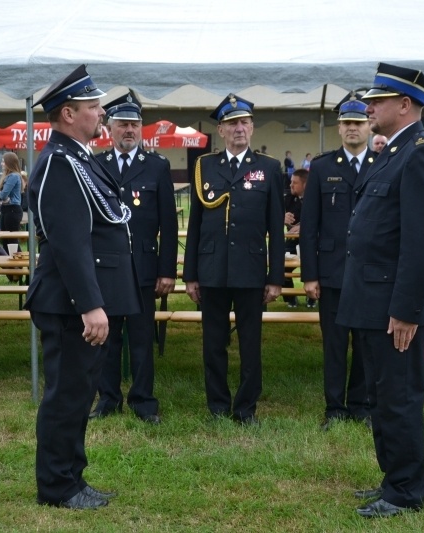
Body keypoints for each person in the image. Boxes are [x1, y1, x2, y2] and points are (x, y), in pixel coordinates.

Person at [26, 65, 141, 511]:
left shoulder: (76, 156)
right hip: (70, 303)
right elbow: (71, 243)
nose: (101, 113)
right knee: (66, 398)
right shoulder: (58, 162)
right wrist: (91, 306)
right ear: (69, 113)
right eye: (93, 107)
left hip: (81, 300)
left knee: (78, 396)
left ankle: (72, 478)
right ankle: (57, 487)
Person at [336, 63, 424, 518]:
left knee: (399, 397)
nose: (368, 108)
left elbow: (422, 244)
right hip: (370, 299)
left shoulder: (420, 153)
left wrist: (406, 311)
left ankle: (405, 491)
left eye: (377, 101)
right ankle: (391, 480)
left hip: (392, 306)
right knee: (381, 396)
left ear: (405, 105)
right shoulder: (393, 152)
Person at [183, 93, 284, 425]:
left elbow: (276, 228)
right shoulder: (205, 166)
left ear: (252, 127)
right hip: (211, 270)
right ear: (221, 130)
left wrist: (275, 277)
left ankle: (245, 409)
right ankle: (216, 405)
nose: (239, 129)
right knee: (213, 343)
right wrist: (190, 275)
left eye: (244, 122)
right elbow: (194, 225)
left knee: (250, 345)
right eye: (231, 124)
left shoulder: (268, 168)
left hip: (251, 270)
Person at [90, 93, 177, 425]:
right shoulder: (96, 165)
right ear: (109, 128)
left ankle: (143, 401)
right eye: (123, 124)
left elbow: (169, 224)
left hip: (143, 267)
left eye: (135, 125)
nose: (129, 130)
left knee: (142, 337)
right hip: (107, 267)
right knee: (107, 338)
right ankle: (108, 399)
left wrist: (166, 270)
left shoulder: (157, 166)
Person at [300, 91, 376, 431]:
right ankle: (334, 406)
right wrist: (310, 275)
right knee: (334, 343)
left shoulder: (383, 163)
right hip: (332, 272)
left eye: (358, 123)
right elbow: (309, 227)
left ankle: (360, 403)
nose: (352, 129)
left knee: (365, 342)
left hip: (369, 272)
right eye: (346, 123)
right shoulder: (322, 166)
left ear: (369, 126)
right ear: (339, 127)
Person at [282, 168, 311, 308]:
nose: (290, 185)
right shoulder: (288, 198)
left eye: (295, 183)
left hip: (311, 242)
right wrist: (282, 217)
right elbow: (272, 212)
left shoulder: (315, 199)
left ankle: (312, 297)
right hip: (292, 242)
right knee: (282, 268)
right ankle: (290, 298)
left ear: (305, 185)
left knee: (315, 267)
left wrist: (303, 226)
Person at [0, 152, 25, 251]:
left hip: (12, 210)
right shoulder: (10, 176)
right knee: (6, 239)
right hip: (8, 209)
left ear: (9, 163)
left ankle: (18, 264)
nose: (1, 164)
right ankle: (11, 264)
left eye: (3, 162)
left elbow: (3, 194)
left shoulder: (13, 176)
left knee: (11, 240)